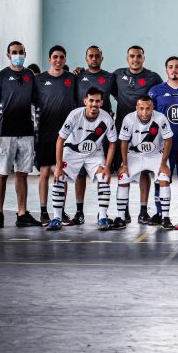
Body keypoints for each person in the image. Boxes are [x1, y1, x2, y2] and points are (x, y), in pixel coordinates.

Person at [0, 41, 40, 228]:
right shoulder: (0, 76)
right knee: (1, 173)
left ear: (25, 53)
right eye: (14, 52)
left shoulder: (30, 76)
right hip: (5, 133)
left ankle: (22, 213)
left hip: (26, 133)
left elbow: (37, 100)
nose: (18, 55)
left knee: (22, 174)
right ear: (8, 55)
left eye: (21, 52)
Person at [48, 87, 117, 231]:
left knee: (104, 177)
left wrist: (107, 167)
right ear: (85, 101)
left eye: (97, 101)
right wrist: (59, 167)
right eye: (91, 100)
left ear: (101, 103)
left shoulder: (106, 118)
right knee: (59, 177)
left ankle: (102, 217)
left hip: (94, 154)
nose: (94, 104)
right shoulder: (75, 115)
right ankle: (57, 218)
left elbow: (112, 143)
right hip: (72, 152)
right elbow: (60, 140)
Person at [110, 46, 163, 224]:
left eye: (139, 56)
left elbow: (162, 93)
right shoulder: (117, 75)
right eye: (132, 56)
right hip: (123, 131)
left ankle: (143, 211)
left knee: (145, 171)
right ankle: (123, 212)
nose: (135, 59)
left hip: (146, 133)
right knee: (123, 170)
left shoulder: (153, 77)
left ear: (143, 58)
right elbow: (107, 90)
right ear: (127, 58)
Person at [148, 56, 178, 224]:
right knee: (161, 179)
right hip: (164, 146)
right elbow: (150, 118)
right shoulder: (156, 91)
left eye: (177, 66)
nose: (174, 70)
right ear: (166, 70)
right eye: (171, 67)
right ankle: (160, 213)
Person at [113, 96, 174, 229]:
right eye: (141, 109)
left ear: (153, 108)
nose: (145, 112)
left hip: (156, 155)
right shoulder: (129, 119)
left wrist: (164, 163)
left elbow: (168, 139)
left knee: (164, 178)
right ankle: (121, 217)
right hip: (135, 155)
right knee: (123, 177)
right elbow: (124, 142)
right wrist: (125, 165)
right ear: (137, 108)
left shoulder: (160, 118)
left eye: (148, 108)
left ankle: (165, 218)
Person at [34, 45, 77, 226]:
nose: (58, 60)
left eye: (61, 57)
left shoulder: (71, 78)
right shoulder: (39, 80)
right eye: (55, 57)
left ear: (65, 59)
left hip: (66, 135)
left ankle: (60, 211)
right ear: (49, 59)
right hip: (46, 132)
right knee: (44, 172)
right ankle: (44, 211)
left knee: (62, 173)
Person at [73, 45, 116, 225]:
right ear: (86, 59)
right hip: (81, 132)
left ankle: (102, 213)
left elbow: (123, 96)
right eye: (90, 56)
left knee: (102, 172)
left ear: (101, 58)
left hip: (101, 132)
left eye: (97, 56)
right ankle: (79, 212)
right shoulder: (78, 76)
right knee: (80, 174)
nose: (94, 58)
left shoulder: (110, 78)